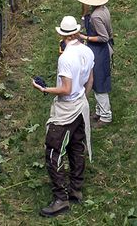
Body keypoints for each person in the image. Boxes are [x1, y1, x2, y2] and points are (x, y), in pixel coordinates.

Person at [33, 16, 95, 217]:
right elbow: (90, 80)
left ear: (61, 34)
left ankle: (60, 199)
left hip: (66, 110)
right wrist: (82, 98)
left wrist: (44, 89)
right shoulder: (87, 50)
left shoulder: (65, 58)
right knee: (77, 147)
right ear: (76, 32)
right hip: (80, 107)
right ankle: (76, 189)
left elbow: (66, 89)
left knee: (53, 151)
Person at [76, 0, 114, 125]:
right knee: (99, 80)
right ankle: (99, 111)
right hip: (102, 49)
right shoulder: (103, 9)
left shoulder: (95, 17)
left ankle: (105, 115)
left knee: (99, 83)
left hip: (99, 50)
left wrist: (85, 37)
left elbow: (103, 37)